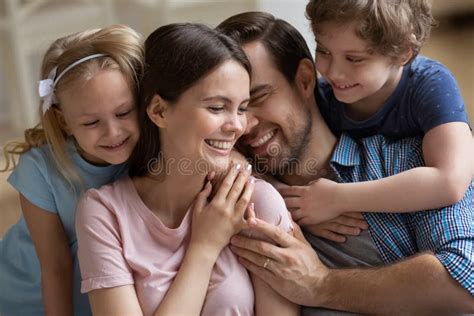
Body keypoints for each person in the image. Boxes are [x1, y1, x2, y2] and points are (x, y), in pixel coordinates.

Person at [217, 11, 474, 314]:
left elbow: (466, 279)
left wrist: (320, 285)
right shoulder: (229, 205)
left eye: (256, 99)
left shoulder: (407, 162)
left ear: (304, 80)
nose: (242, 125)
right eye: (223, 107)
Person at [75, 23, 299, 316]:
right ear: (159, 111)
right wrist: (203, 249)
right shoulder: (103, 213)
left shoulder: (256, 202)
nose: (237, 126)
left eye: (241, 108)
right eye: (217, 107)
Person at [277, 0, 473, 226]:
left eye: (354, 59)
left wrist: (338, 198)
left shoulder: (431, 84)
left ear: (403, 54)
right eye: (323, 51)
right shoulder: (322, 96)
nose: (333, 72)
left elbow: (450, 182)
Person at [0, 25, 144, 316]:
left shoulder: (152, 158)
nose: (112, 132)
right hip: (20, 296)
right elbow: (55, 268)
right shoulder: (40, 171)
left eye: (124, 112)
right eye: (91, 123)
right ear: (64, 122)